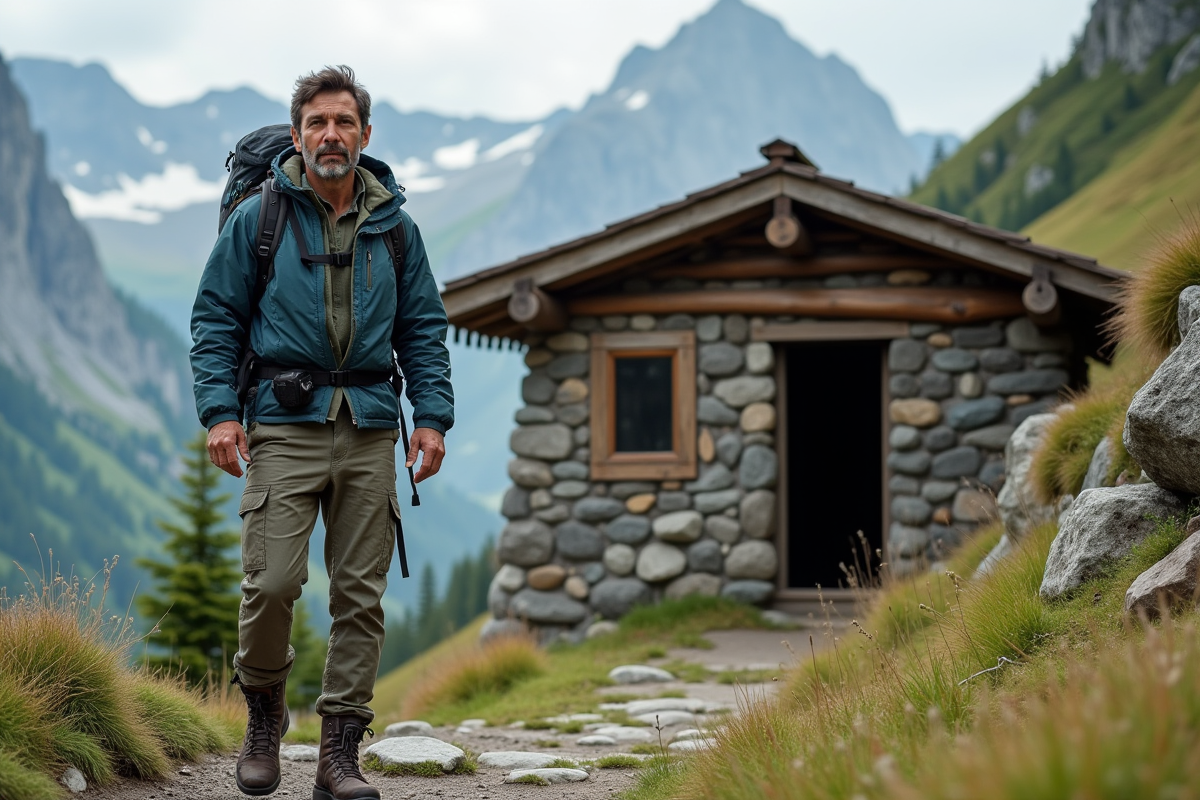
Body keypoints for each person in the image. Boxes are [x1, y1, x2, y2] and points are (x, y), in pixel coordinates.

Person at [190, 65, 454, 800]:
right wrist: (219, 411)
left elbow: (424, 328)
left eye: (343, 122)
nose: (330, 135)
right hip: (282, 422)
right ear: (300, 134)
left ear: (365, 135)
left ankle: (340, 754)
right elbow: (215, 319)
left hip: (370, 426)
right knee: (271, 584)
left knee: (359, 598)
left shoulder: (396, 227)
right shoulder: (261, 217)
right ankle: (264, 719)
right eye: (316, 124)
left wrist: (431, 417)